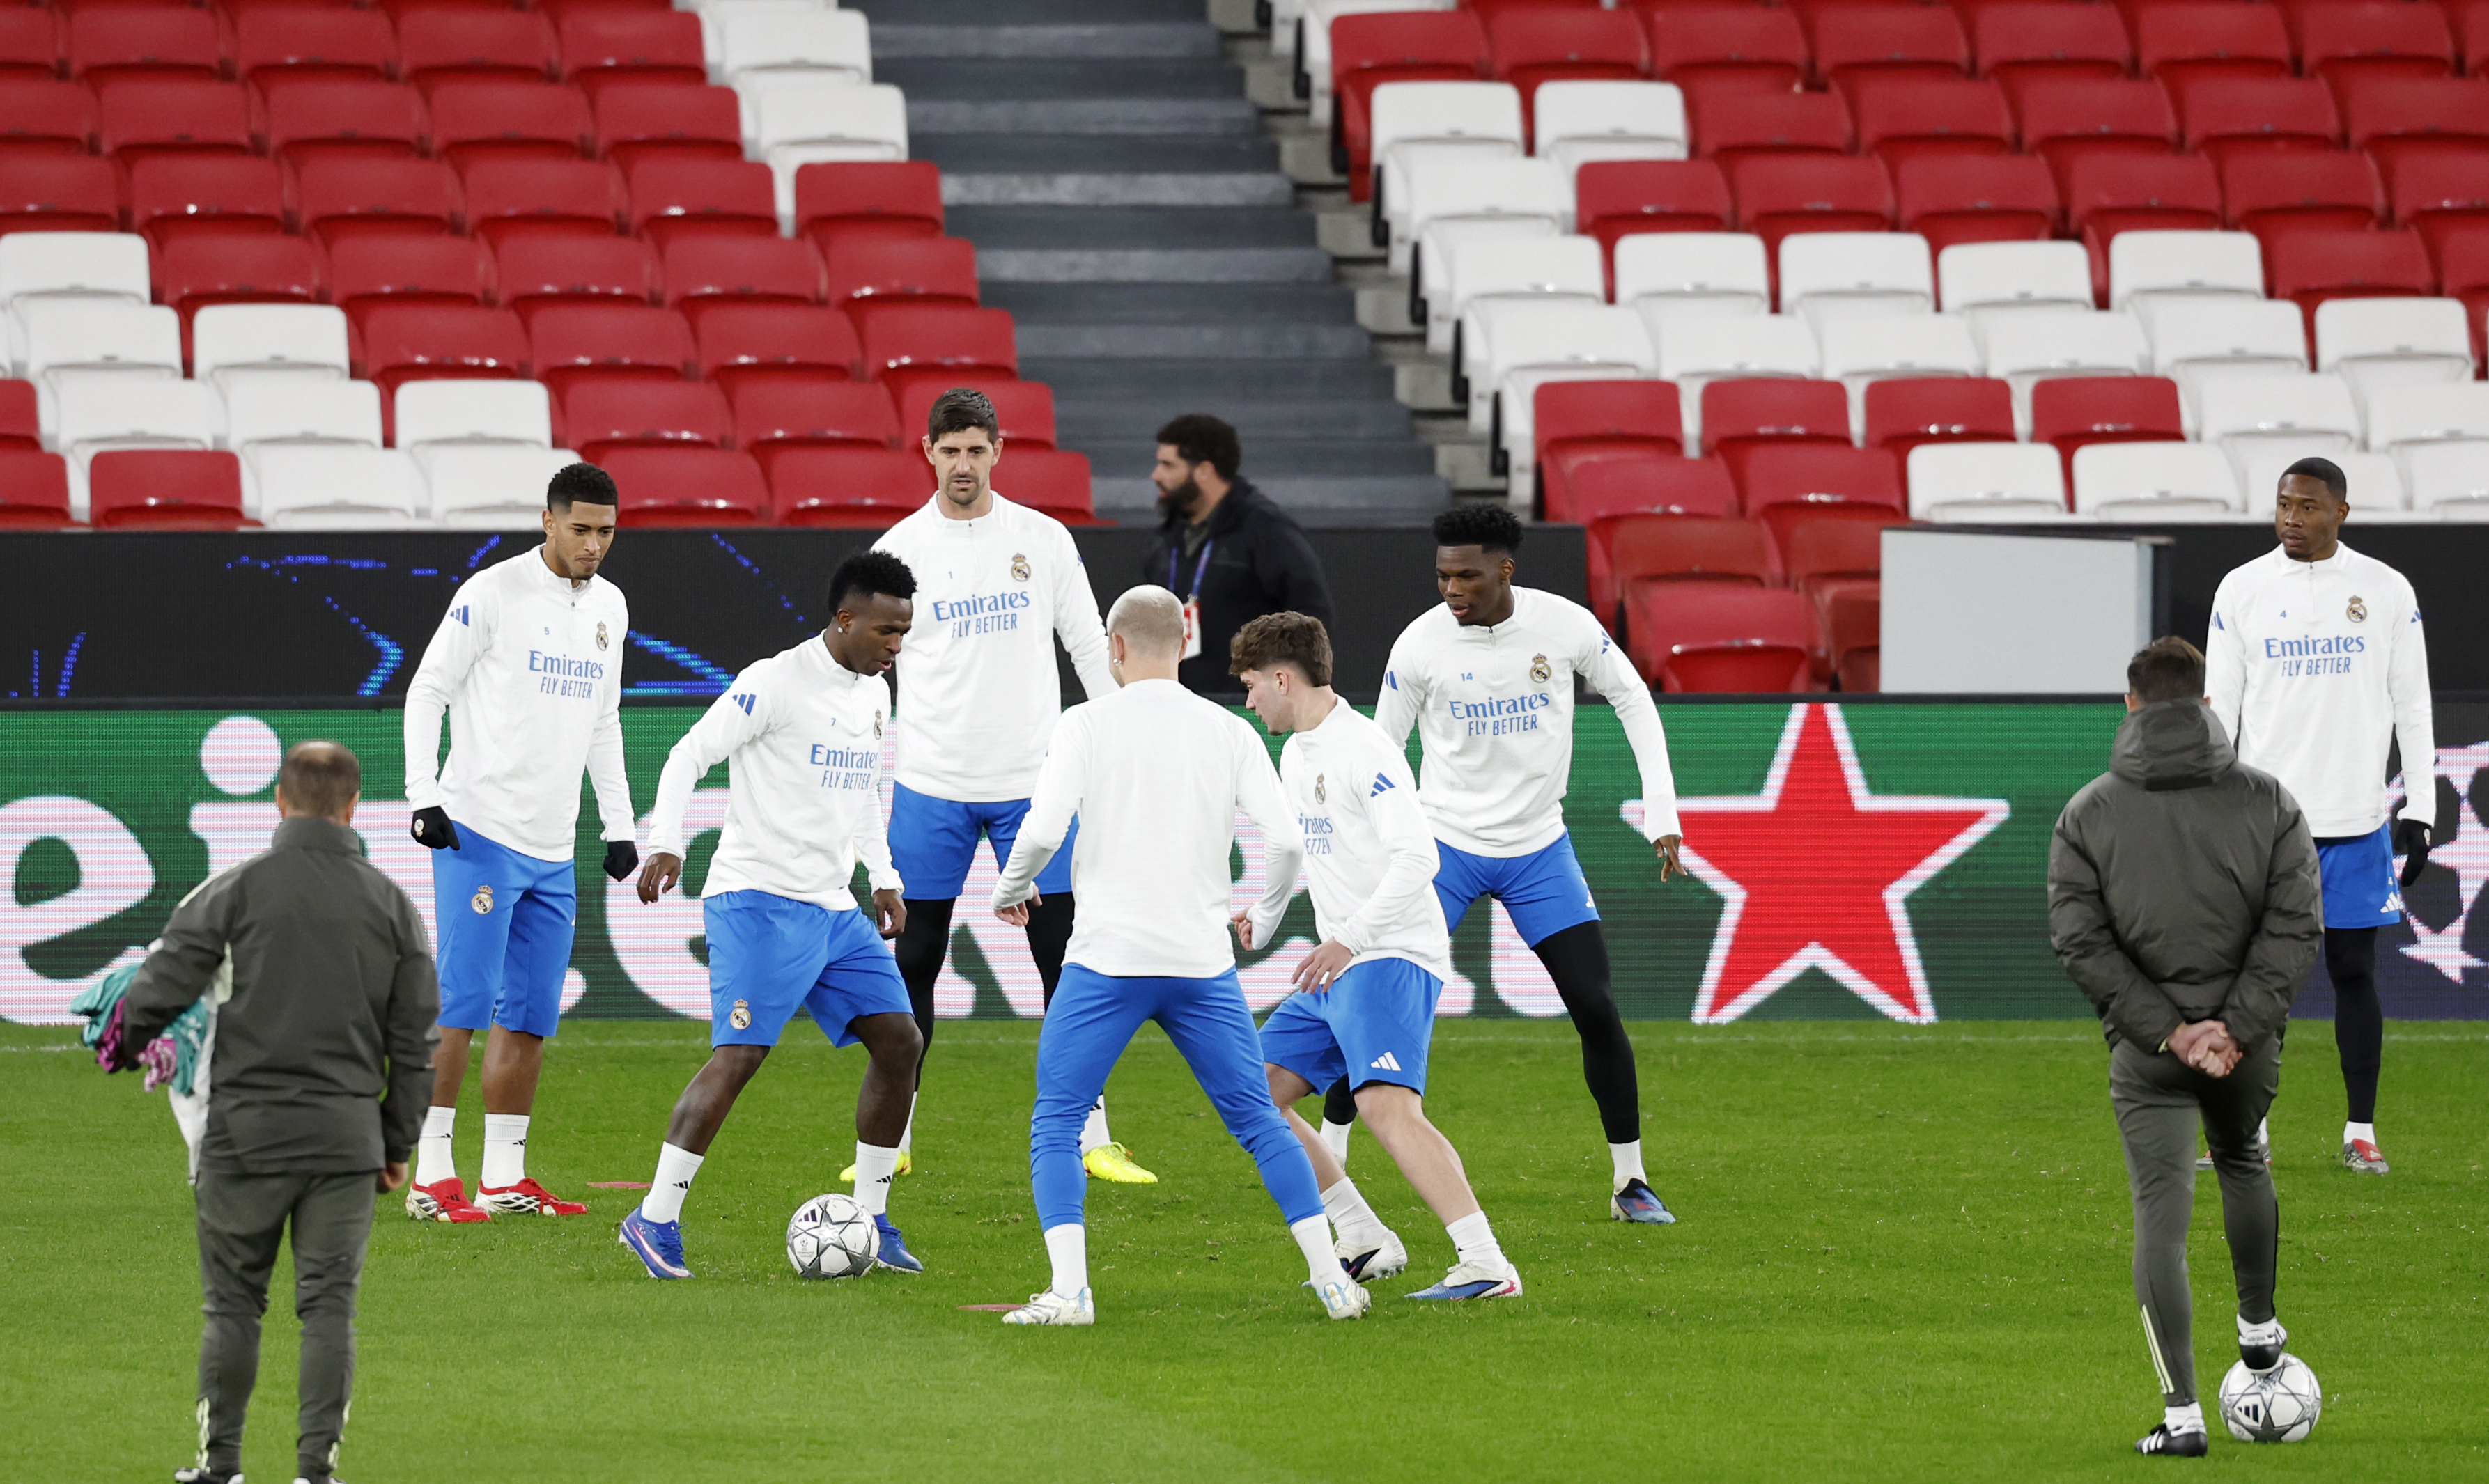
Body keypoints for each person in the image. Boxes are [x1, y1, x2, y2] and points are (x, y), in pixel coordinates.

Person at [989, 586, 1363, 1325]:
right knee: (1259, 1122)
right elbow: (1288, 842)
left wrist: (1011, 886)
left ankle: (1071, 1292)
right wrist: (1265, 914)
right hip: (1200, 965)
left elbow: (1042, 829)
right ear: (1184, 642)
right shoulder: (1228, 729)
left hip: (1105, 963)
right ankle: (1332, 1280)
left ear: (1115, 647)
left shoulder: (1085, 722)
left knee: (1057, 1121)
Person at [1322, 505, 1684, 1224]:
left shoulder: (1565, 625)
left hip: (1538, 849)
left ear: (1505, 570)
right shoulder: (1419, 644)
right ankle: (1330, 1162)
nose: (1452, 589)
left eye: (1467, 575)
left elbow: (1632, 697)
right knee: (1371, 1001)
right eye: (1442, 576)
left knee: (1596, 1006)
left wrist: (1662, 812)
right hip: (1443, 848)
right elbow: (1381, 751)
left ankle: (1631, 1181)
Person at [104, 742, 437, 1484]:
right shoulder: (393, 905)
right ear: (354, 807)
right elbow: (416, 1043)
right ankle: (316, 1471)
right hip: (345, 1141)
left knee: (232, 1307)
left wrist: (123, 1045)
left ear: (280, 803)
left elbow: (162, 982)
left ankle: (220, 1468)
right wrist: (395, 1143)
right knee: (328, 1308)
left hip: (244, 1136)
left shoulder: (234, 890)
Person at [617, 551, 929, 1281]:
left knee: (900, 1041)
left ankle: (872, 1219)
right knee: (740, 1056)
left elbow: (864, 790)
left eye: (904, 633)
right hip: (757, 898)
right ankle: (653, 1217)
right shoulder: (774, 681)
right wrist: (666, 841)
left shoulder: (874, 693)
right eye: (886, 631)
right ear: (845, 619)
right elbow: (687, 755)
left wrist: (882, 874)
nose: (896, 645)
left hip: (833, 906)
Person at [870, 387, 1155, 1185]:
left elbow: (1090, 647)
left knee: (1064, 959)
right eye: (950, 450)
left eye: (976, 449)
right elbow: (867, 667)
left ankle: (1093, 1135)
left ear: (997, 451)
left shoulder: (1044, 539)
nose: (963, 464)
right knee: (914, 961)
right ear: (927, 452)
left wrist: (1128, 733)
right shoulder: (897, 552)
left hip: (1036, 784)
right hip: (929, 784)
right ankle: (892, 1138)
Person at [2049, 636, 2322, 1458]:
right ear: (2206, 704)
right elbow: (2294, 927)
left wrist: (2171, 1031)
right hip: (2247, 1050)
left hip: (2148, 1054)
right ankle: (2260, 1331)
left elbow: (2080, 940)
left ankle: (2183, 1417)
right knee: (2242, 1157)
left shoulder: (2086, 812)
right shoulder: (2271, 801)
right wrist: (2234, 1028)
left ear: (2130, 704)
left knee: (2158, 1218)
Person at [1232, 612, 1523, 1302]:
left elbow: (1419, 857)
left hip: (1389, 952)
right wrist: (1265, 918)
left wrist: (1351, 938)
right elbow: (1292, 848)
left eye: (1250, 685)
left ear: (1282, 679)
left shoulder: (1365, 748)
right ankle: (1362, 1233)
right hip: (1340, 963)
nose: (1249, 701)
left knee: (1385, 1105)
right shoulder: (1296, 752)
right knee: (1251, 1091)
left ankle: (1486, 1262)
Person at [399, 462, 640, 1222]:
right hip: (479, 830)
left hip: (552, 846)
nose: (593, 544)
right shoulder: (492, 592)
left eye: (606, 531)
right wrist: (423, 793)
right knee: (461, 1006)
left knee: (531, 1012)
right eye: (580, 528)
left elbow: (604, 718)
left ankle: (503, 1178)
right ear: (548, 520)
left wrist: (619, 823)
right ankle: (430, 1177)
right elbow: (427, 688)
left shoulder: (611, 606)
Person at [2205, 455, 2437, 1176]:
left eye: (2307, 507)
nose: (2291, 519)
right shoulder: (2241, 588)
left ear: (2340, 511)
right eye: (2283, 505)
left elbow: (2413, 703)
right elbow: (2220, 706)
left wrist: (2422, 805)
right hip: (2265, 825)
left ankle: (2360, 1130)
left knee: (2353, 972)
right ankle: (2249, 1131)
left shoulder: (2386, 589)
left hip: (2355, 822)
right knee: (2257, 982)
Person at [1140, 412, 1335, 696]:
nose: (1156, 475)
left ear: (1204, 470)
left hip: (1246, 707)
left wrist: (1284, 691)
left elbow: (1311, 615)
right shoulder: (1166, 538)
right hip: (1178, 701)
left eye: (1168, 465)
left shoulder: (1266, 530)